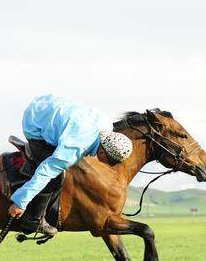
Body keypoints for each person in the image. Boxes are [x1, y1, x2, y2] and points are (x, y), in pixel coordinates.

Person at [8, 94, 134, 236]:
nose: (108, 165)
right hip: (34, 124)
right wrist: (20, 202)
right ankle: (34, 220)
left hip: (44, 102)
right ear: (104, 153)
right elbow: (46, 170)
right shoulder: (74, 149)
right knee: (55, 177)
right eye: (110, 162)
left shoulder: (106, 124)